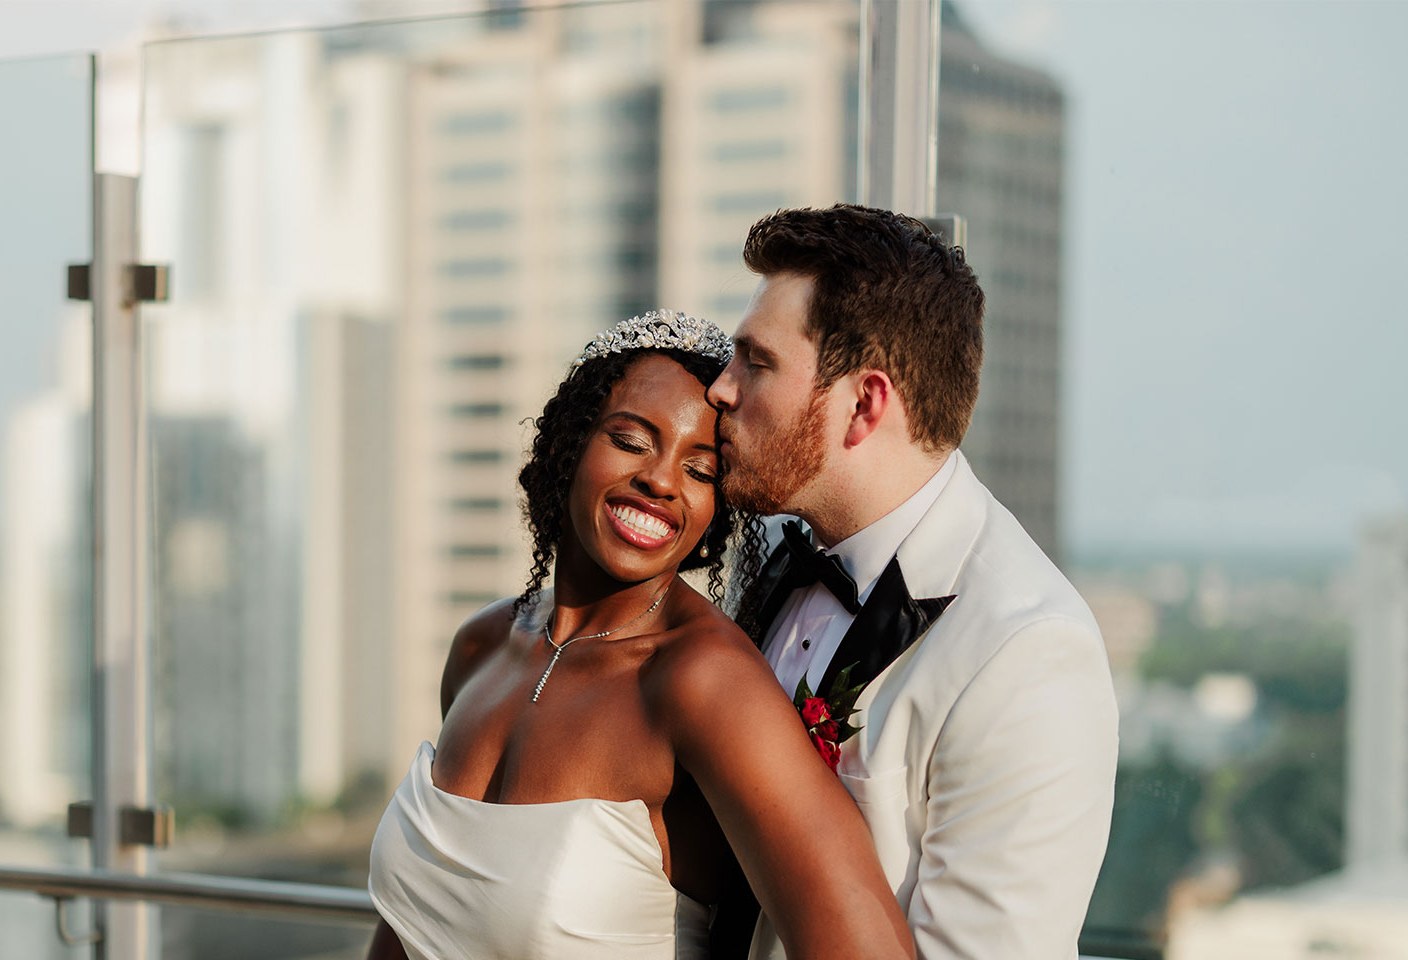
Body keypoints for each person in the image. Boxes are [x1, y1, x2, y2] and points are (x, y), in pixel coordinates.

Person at [365, 309, 914, 960]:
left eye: (702, 471)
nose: (660, 480)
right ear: (569, 443)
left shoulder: (703, 679)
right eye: (631, 440)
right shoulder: (481, 646)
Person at [705, 205, 1118, 960]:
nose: (720, 391)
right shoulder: (769, 553)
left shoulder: (1026, 651)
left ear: (864, 404)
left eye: (754, 361)